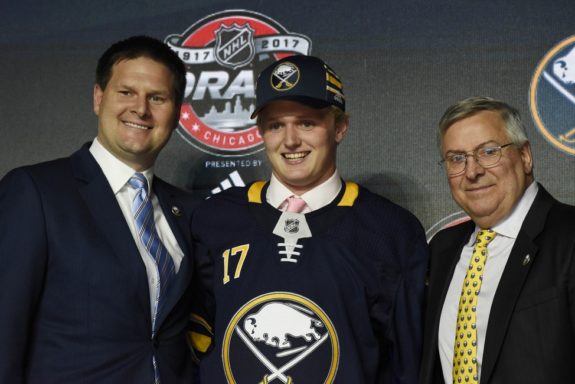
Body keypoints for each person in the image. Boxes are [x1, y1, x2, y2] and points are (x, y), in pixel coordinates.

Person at [188, 55, 428, 383]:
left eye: (306, 123)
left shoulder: (390, 230)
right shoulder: (214, 219)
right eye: (275, 125)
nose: (290, 141)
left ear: (340, 127)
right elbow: (193, 342)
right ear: (260, 132)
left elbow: (406, 364)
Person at [0, 35, 197, 383]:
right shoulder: (36, 192)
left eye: (157, 97)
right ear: (98, 97)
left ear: (177, 113)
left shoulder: (189, 210)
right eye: (126, 92)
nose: (141, 108)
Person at [419, 96, 575, 384]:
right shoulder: (442, 249)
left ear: (525, 156)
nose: (473, 171)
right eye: (456, 159)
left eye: (488, 152)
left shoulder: (569, 236)